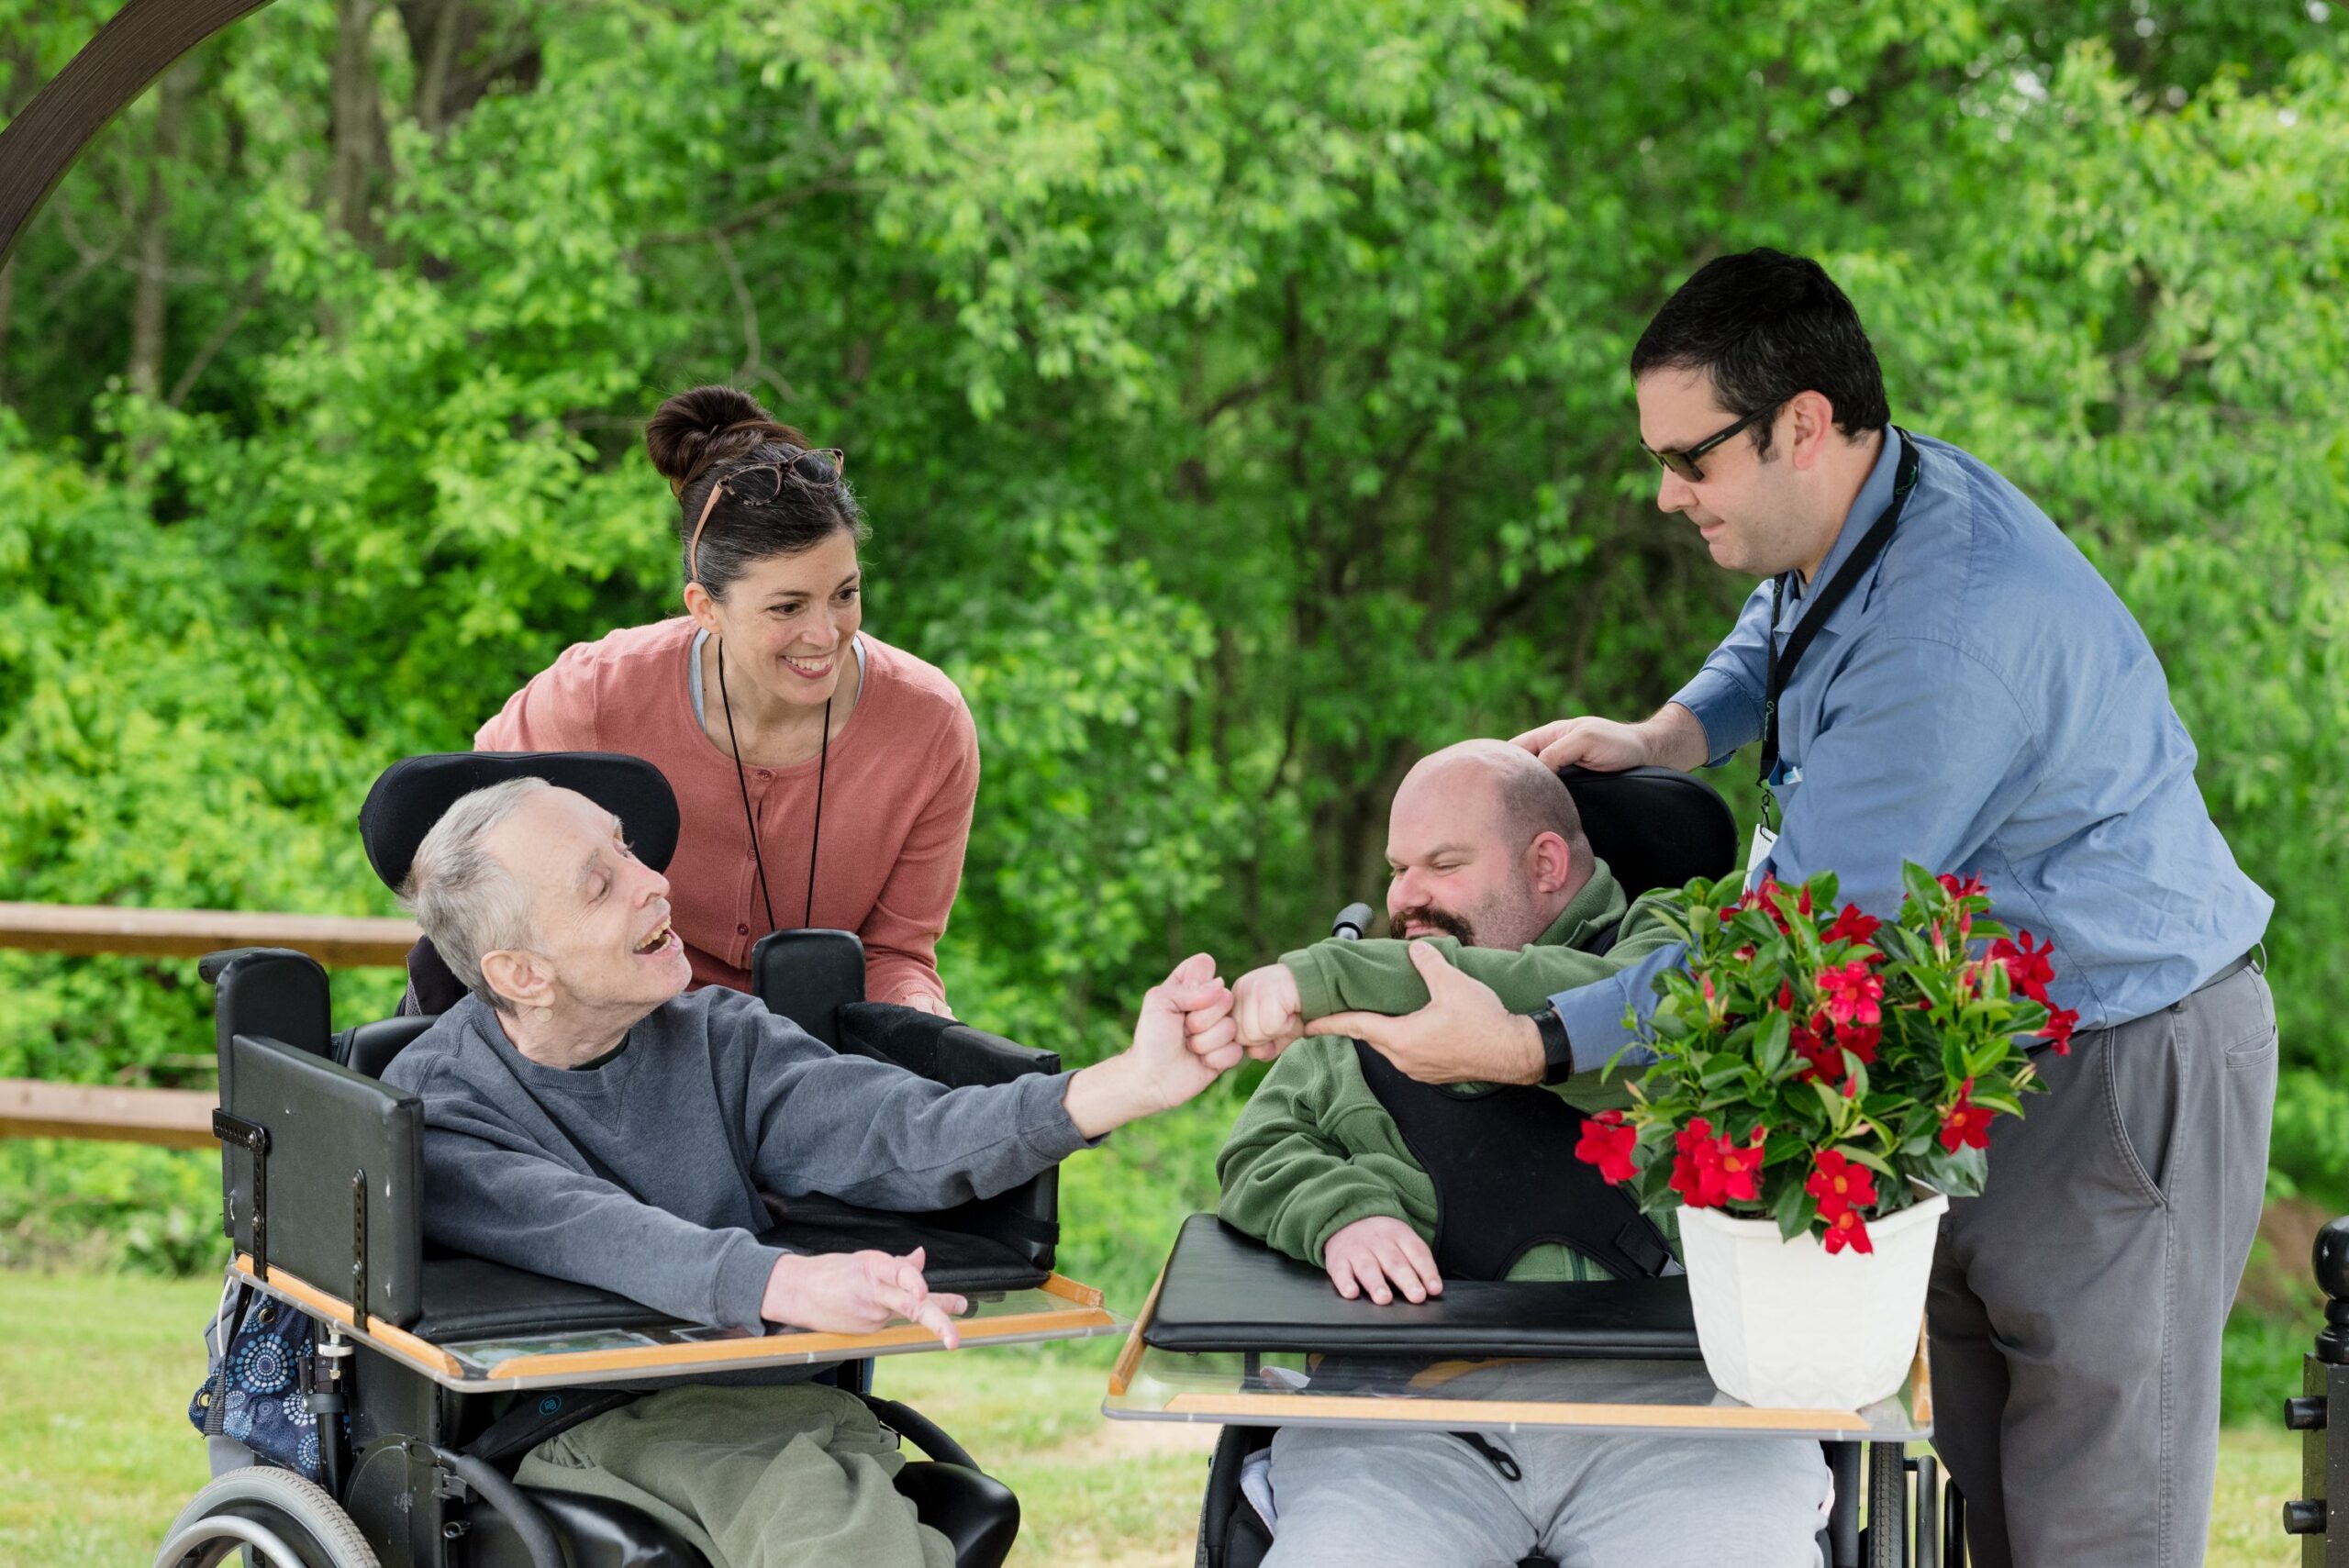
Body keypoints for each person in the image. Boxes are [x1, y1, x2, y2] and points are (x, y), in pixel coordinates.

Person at [1462, 249, 2264, 1568]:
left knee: (2100, 1519)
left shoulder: (1941, 640)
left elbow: (1794, 950)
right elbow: (1780, 620)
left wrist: (1527, 1042)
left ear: (1804, 426)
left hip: (2127, 1069)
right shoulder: (1867, 509)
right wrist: (1670, 732)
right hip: (1989, 1053)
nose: (1667, 495)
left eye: (1690, 460)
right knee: (1987, 1498)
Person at [384, 774, 1239, 1568]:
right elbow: (590, 1229)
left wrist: (1125, 1083)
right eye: (599, 883)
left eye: (627, 848)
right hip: (576, 1420)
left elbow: (904, 1129)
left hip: (767, 1399)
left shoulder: (720, 1038)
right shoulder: (436, 1106)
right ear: (521, 973)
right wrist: (787, 1281)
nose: (653, 881)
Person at [1217, 741, 1829, 1568]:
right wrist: (1342, 1213)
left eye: (1443, 864)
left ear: (1546, 862)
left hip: (1689, 1415)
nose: (1405, 896)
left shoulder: (1684, 942)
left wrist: (1345, 975)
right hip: (1412, 1418)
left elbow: (1606, 1003)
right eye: (1399, 868)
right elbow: (1262, 1147)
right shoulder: (1360, 1006)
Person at [476, 384, 973, 1013]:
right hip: (621, 1037)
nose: (826, 635)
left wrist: (923, 1021)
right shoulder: (599, 690)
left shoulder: (931, 725)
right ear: (705, 608)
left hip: (812, 1062)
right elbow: (470, 831)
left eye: (844, 594)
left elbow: (897, 954)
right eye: (788, 606)